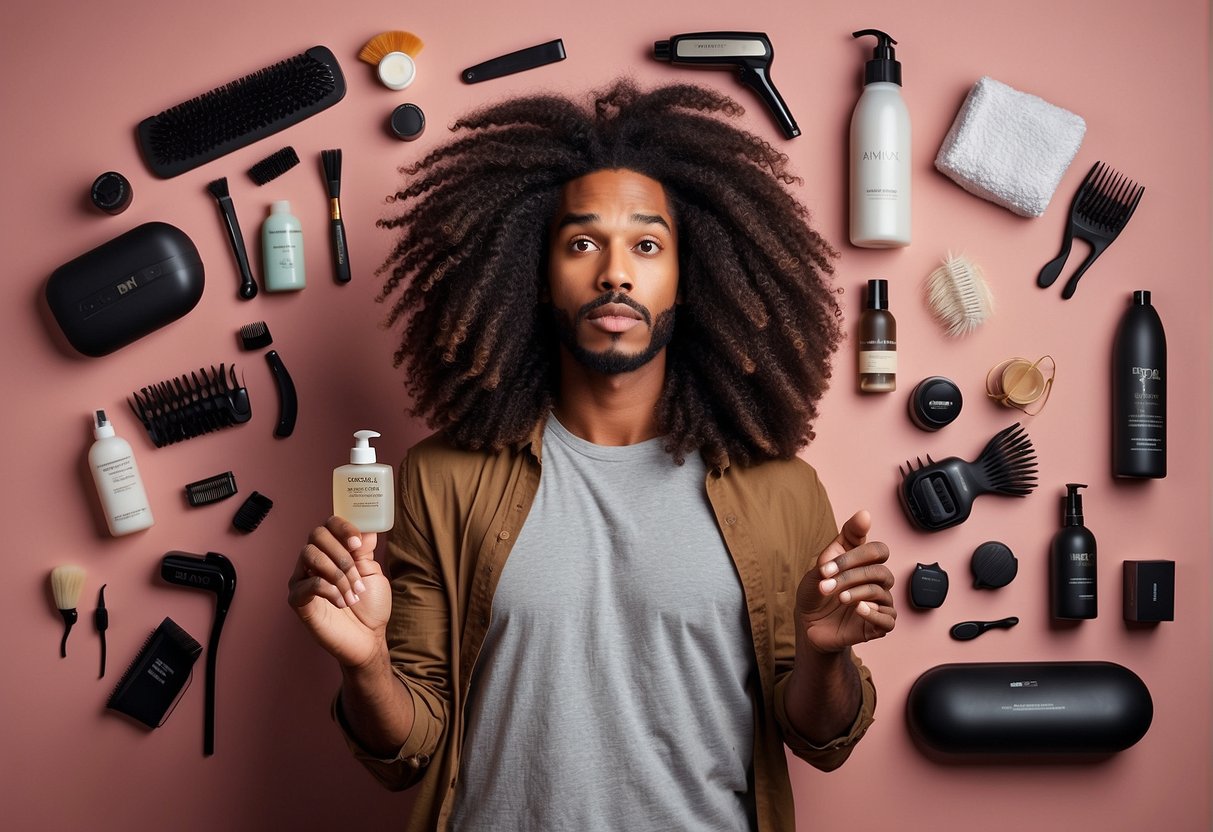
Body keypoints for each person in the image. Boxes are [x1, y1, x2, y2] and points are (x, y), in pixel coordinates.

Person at [289, 79, 896, 832]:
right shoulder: (440, 479)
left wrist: (823, 657)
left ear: (688, 275)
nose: (614, 272)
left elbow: (820, 738)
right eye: (582, 243)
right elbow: (408, 749)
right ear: (536, 277)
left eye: (646, 245)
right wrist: (365, 662)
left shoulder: (782, 490)